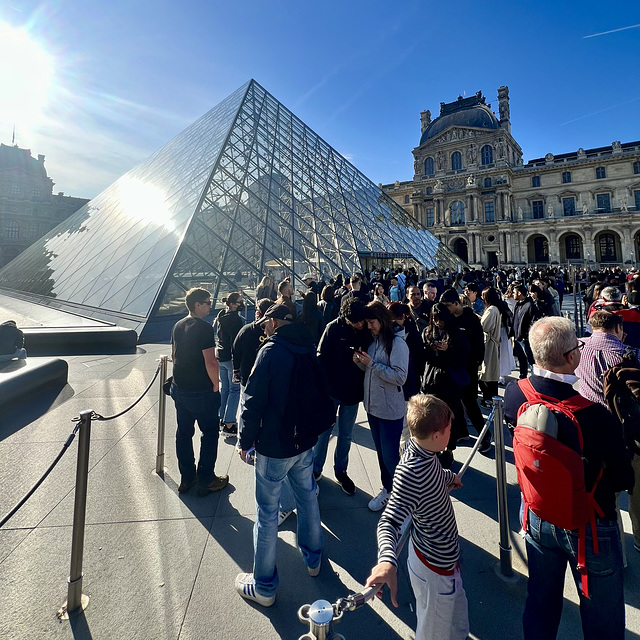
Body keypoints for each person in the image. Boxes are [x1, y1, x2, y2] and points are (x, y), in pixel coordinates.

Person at [504, 317, 634, 640]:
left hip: (536, 513)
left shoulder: (514, 395)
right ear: (571, 357)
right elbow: (623, 476)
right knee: (602, 623)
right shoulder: (595, 415)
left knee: (540, 605)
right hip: (589, 527)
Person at [236, 304, 323, 607]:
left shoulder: (271, 352)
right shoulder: (307, 345)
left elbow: (252, 400)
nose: (264, 328)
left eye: (265, 323)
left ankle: (264, 586)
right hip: (305, 441)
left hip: (275, 444)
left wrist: (245, 442)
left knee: (267, 513)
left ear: (273, 322)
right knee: (308, 497)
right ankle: (314, 560)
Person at [365, 394, 468, 640]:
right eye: (449, 430)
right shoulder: (409, 473)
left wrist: (447, 478)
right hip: (435, 570)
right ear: (436, 436)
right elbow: (389, 522)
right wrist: (387, 560)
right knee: (433, 633)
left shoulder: (421, 449)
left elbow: (431, 472)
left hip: (445, 562)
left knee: (457, 623)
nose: (451, 434)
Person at [170, 288, 229, 496]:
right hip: (201, 390)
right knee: (210, 432)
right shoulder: (204, 328)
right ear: (197, 305)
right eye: (207, 302)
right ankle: (207, 479)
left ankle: (187, 478)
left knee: (184, 434)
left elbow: (174, 354)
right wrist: (216, 385)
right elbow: (210, 361)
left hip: (180, 388)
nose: (210, 305)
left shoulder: (178, 325)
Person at [353, 301, 409, 511]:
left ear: (382, 319)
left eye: (371, 322)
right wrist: (360, 362)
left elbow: (400, 377)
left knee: (390, 456)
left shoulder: (397, 344)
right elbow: (372, 370)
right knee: (381, 454)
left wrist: (371, 365)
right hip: (374, 407)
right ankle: (388, 489)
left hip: (389, 409)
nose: (369, 326)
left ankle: (401, 498)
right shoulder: (375, 341)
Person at [314, 297, 370, 495]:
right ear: (346, 317)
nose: (360, 324)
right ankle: (315, 468)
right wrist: (325, 387)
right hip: (332, 391)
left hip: (353, 392)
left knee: (346, 435)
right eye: (355, 321)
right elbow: (320, 358)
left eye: (361, 321)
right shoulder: (333, 328)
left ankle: (341, 470)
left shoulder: (364, 330)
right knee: (323, 433)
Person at [439, 288, 490, 452]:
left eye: (448, 305)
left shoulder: (470, 318)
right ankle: (462, 432)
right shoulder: (449, 318)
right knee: (456, 402)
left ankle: (485, 435)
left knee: (470, 402)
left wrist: (476, 361)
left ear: (456, 303)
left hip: (469, 366)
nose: (446, 309)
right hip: (454, 365)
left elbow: (479, 342)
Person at [421, 303, 471, 466]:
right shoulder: (428, 332)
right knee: (432, 418)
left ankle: (449, 450)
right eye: (435, 319)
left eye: (440, 319)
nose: (437, 323)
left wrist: (448, 350)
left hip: (450, 382)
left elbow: (464, 359)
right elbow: (422, 356)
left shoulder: (457, 334)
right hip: (432, 380)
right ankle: (434, 448)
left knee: (450, 417)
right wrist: (430, 348)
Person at [232, 298, 273, 440]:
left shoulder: (246, 330)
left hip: (247, 375)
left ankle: (243, 440)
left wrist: (236, 370)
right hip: (267, 378)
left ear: (258, 312)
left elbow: (236, 350)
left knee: (245, 407)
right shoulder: (275, 331)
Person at [213, 292, 245, 436]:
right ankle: (229, 423)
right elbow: (236, 344)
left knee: (225, 388)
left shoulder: (221, 316)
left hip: (220, 355)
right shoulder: (236, 321)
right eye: (239, 302)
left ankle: (221, 417)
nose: (242, 303)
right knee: (234, 390)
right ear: (232, 304)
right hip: (230, 359)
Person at [478, 287, 502, 407]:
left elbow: (485, 326)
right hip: (491, 342)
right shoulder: (494, 309)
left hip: (489, 344)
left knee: (487, 372)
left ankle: (489, 398)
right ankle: (491, 398)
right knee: (490, 371)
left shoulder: (492, 310)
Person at [513, 284, 540, 378]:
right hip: (517, 337)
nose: (513, 294)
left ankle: (534, 377)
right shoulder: (518, 304)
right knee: (521, 359)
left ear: (519, 293)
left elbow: (534, 322)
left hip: (525, 338)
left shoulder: (530, 305)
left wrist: (527, 335)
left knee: (530, 360)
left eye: (514, 292)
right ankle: (522, 376)